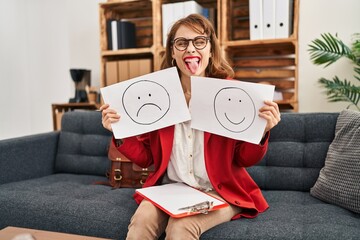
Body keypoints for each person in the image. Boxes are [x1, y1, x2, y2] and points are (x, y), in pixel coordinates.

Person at [100, 14, 281, 240]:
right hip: (171, 189)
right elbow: (145, 158)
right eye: (182, 43)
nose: (190, 49)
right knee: (141, 221)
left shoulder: (230, 94)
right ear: (173, 53)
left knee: (181, 227)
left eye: (199, 41)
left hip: (219, 192)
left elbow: (244, 159)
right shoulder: (159, 97)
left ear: (211, 50)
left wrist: (262, 132)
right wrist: (119, 130)